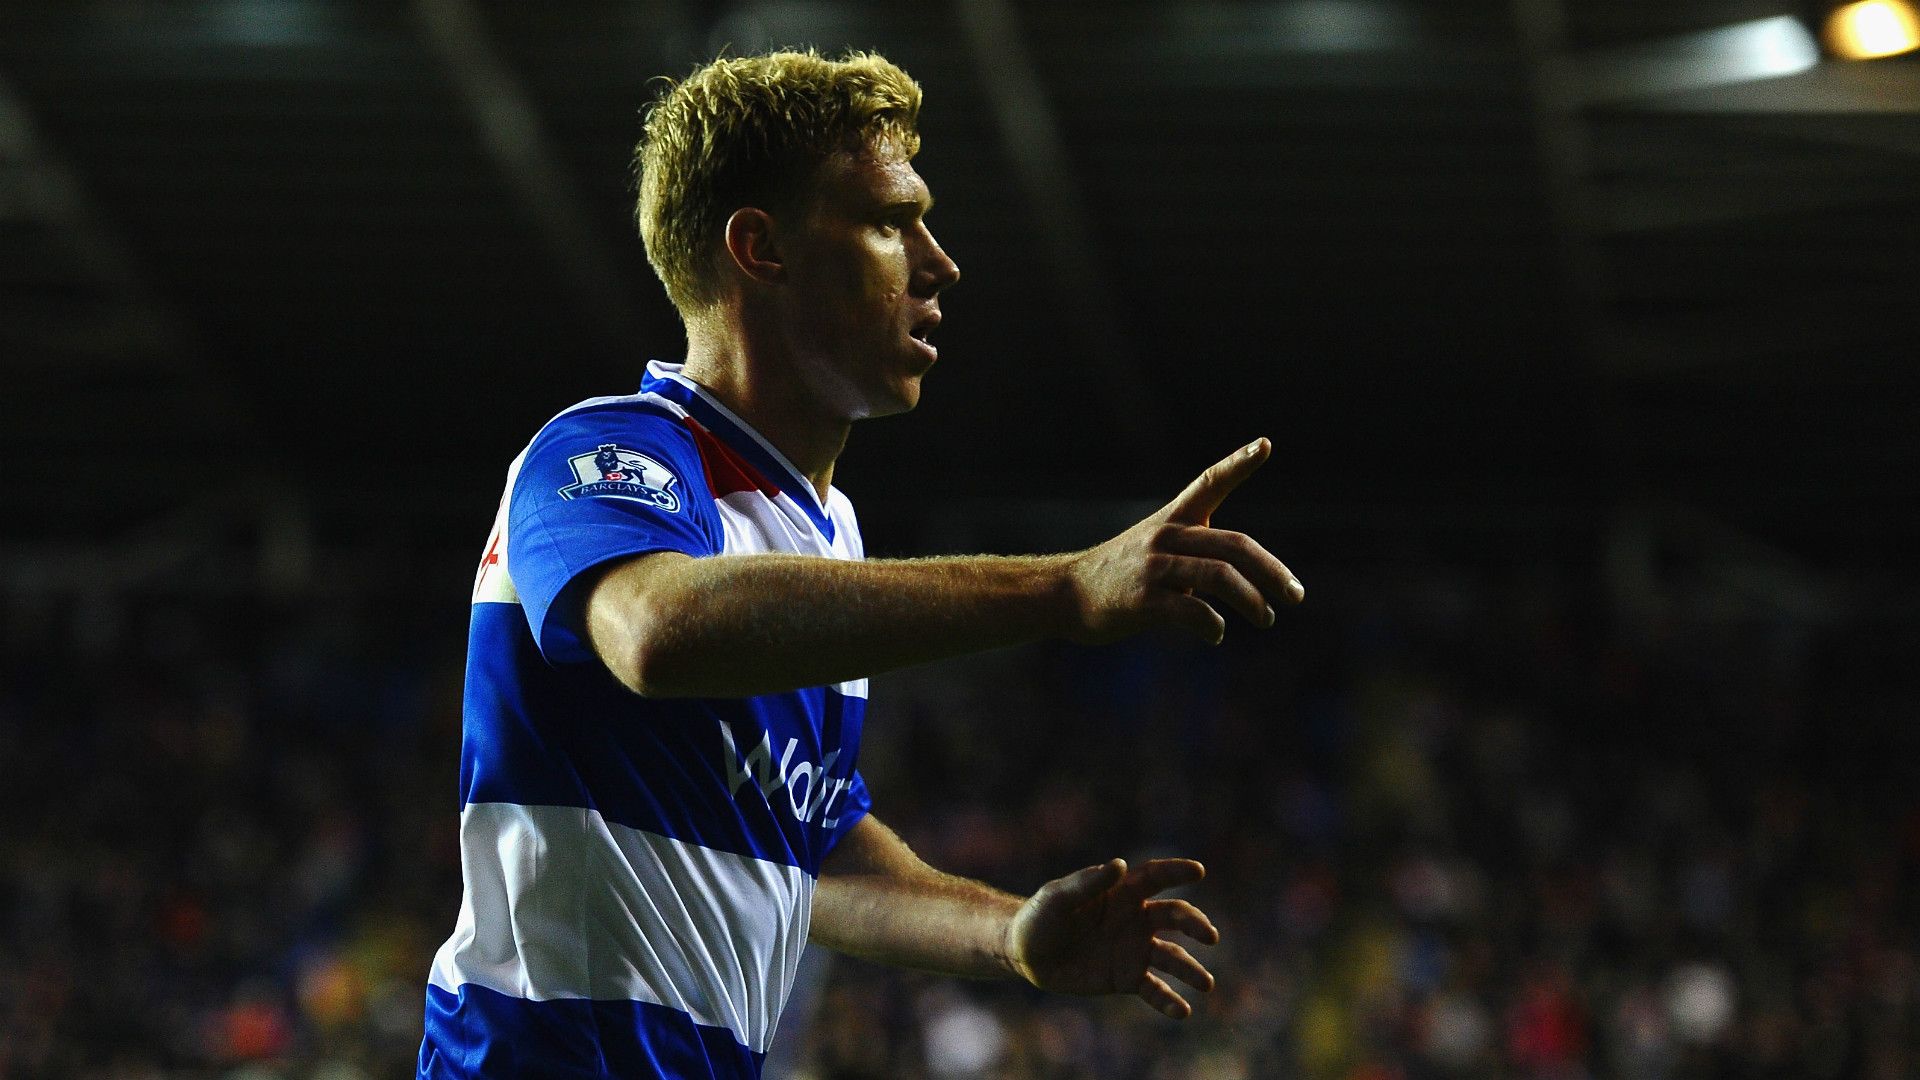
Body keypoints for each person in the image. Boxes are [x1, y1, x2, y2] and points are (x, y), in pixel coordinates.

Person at [417, 48, 1303, 1079]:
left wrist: (1009, 936)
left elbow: (814, 849)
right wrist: (1062, 586)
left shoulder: (827, 535)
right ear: (761, 248)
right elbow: (659, 631)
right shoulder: (609, 453)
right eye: (890, 222)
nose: (939, 263)